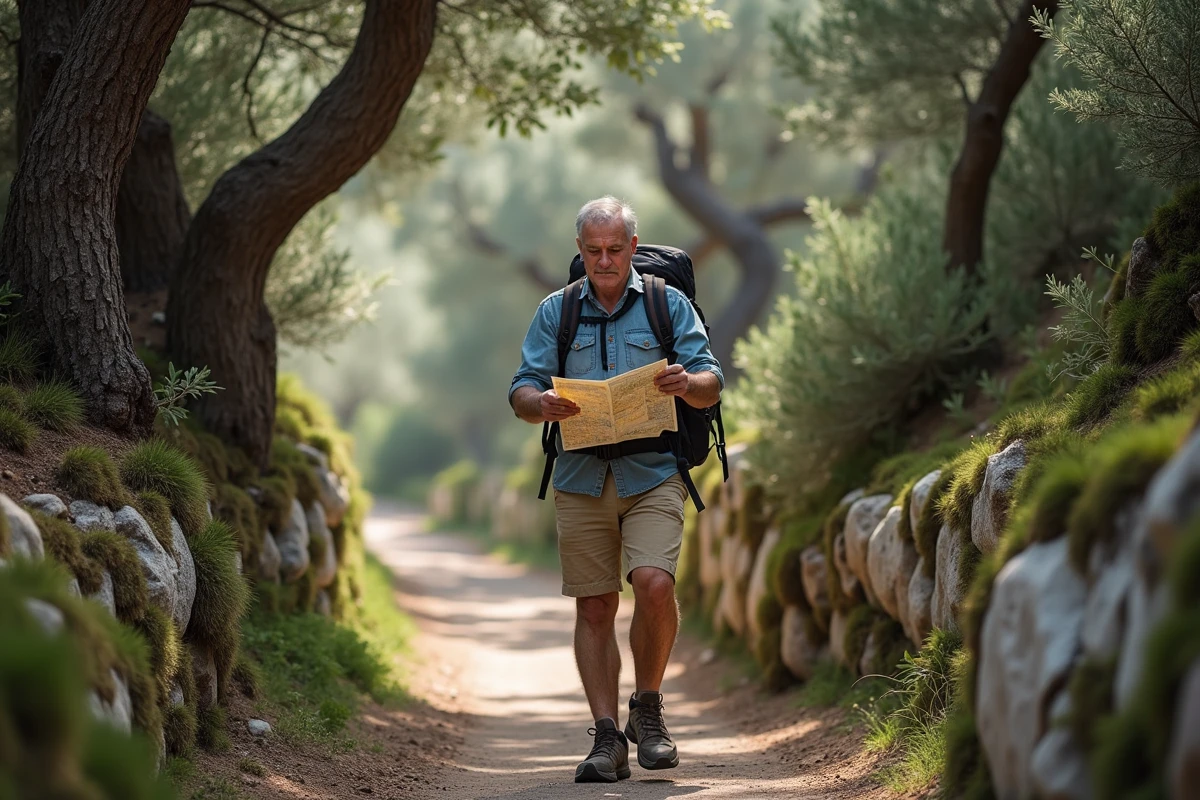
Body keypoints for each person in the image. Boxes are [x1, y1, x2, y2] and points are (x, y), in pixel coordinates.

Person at [508, 196, 723, 783]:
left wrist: (687, 383)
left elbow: (712, 380)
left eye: (614, 249)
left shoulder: (667, 303)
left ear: (633, 246)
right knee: (596, 605)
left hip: (655, 472)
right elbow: (522, 388)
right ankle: (606, 739)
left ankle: (647, 711)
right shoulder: (555, 312)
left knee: (654, 583)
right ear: (579, 250)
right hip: (580, 478)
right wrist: (540, 404)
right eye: (593, 250)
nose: (604, 261)